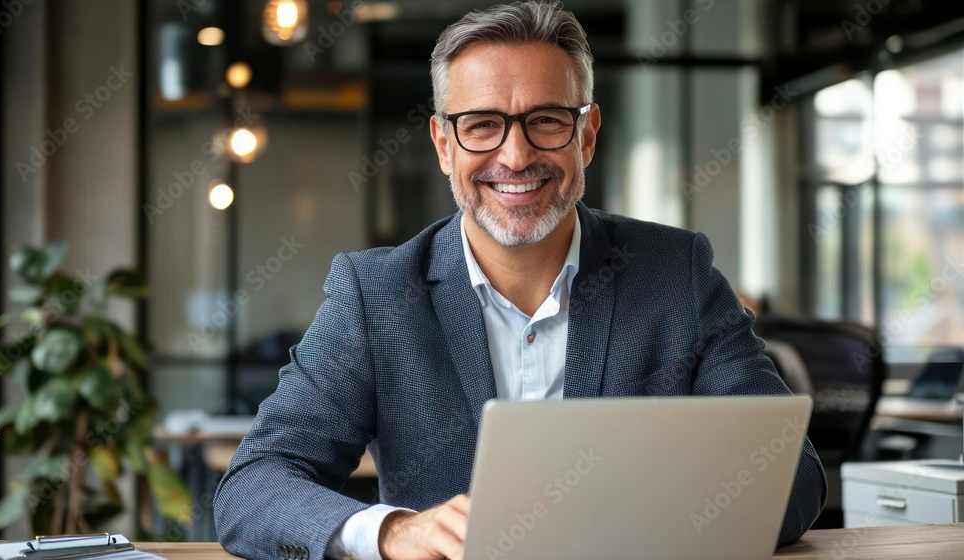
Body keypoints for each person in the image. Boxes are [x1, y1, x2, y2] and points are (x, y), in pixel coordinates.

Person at [213, 2, 827, 559]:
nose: (514, 156)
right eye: (481, 124)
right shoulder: (377, 296)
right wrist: (396, 530)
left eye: (547, 121)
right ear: (443, 144)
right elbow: (255, 488)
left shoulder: (677, 273)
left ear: (586, 135)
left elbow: (792, 475)